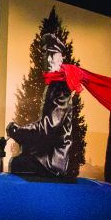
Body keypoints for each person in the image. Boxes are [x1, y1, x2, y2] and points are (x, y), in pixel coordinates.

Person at [6, 33, 76, 178]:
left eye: (53, 55)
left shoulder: (61, 88)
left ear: (61, 59)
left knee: (18, 163)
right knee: (21, 158)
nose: (49, 59)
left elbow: (48, 127)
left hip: (55, 159)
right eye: (46, 55)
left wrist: (19, 131)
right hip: (50, 153)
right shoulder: (54, 85)